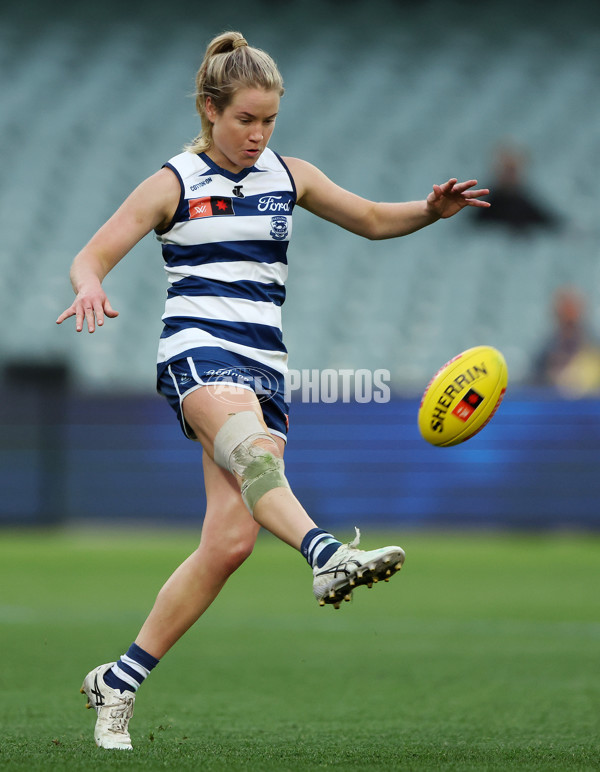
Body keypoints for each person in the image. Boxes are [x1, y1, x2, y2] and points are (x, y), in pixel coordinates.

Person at [56, 31, 490, 750]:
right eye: (244, 120)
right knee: (253, 450)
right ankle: (326, 555)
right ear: (209, 109)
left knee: (228, 542)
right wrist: (91, 286)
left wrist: (429, 209)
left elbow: (375, 220)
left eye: (269, 121)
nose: (258, 134)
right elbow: (91, 254)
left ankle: (120, 679)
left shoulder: (291, 176)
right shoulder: (174, 182)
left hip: (265, 365)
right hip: (195, 354)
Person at [472, 143, 559, 234]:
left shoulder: (527, 203)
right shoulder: (486, 205)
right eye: (506, 170)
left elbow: (550, 222)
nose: (509, 175)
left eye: (513, 170)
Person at [532, 287, 600, 396]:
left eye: (573, 309)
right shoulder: (546, 351)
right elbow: (536, 383)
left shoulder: (594, 346)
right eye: (566, 310)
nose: (569, 316)